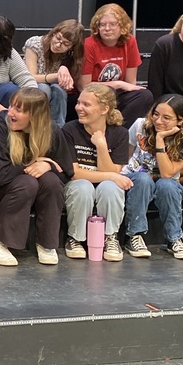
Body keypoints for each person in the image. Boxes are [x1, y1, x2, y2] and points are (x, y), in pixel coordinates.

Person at [0, 88, 74, 266]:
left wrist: (47, 165)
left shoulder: (51, 130)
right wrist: (34, 161)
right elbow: (1, 175)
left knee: (51, 182)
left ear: (35, 116)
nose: (10, 112)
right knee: (28, 182)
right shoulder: (0, 126)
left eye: (18, 110)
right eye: (11, 106)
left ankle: (46, 243)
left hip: (29, 192)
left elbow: (66, 172)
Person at [122, 94, 183, 260]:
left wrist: (160, 141)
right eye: (156, 114)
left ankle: (174, 238)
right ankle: (134, 236)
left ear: (180, 120)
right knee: (143, 179)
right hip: (136, 183)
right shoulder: (140, 125)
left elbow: (167, 173)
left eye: (166, 118)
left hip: (165, 186)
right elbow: (127, 156)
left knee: (168, 184)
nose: (158, 121)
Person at [60, 84, 130, 262]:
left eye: (86, 104)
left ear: (104, 109)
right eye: (78, 103)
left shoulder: (120, 134)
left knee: (110, 188)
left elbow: (112, 171)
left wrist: (101, 146)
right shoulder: (69, 130)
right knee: (83, 187)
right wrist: (113, 176)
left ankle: (110, 237)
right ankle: (75, 238)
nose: (79, 108)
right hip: (78, 184)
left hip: (104, 184)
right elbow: (75, 173)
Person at [79, 3, 153, 127]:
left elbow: (131, 83)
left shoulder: (129, 41)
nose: (107, 28)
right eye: (102, 25)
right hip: (94, 94)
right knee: (110, 91)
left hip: (117, 94)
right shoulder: (89, 44)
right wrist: (118, 84)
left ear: (122, 26)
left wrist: (122, 86)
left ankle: (121, 133)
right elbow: (84, 86)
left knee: (145, 96)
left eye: (113, 24)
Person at [24, 19, 85, 128]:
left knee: (59, 90)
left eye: (65, 44)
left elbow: (67, 84)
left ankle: (57, 129)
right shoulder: (35, 44)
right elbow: (31, 76)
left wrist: (64, 70)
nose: (58, 45)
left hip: (54, 87)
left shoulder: (69, 55)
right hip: (30, 85)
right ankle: (35, 127)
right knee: (44, 89)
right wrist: (57, 75)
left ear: (71, 47)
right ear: (54, 32)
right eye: (58, 38)